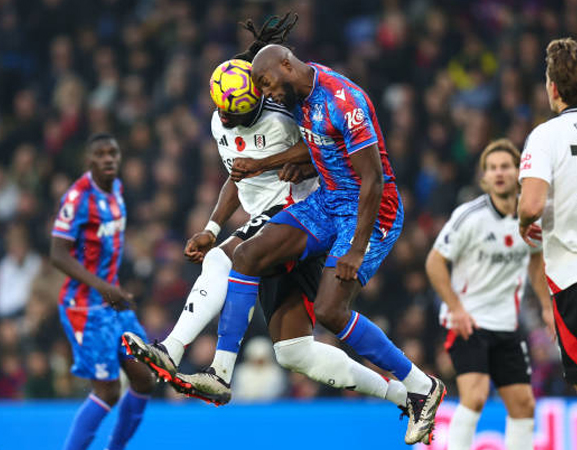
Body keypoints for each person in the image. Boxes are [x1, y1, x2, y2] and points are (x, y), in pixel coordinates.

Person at [124, 15, 411, 417]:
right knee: (295, 354)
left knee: (227, 258)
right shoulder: (222, 119)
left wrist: (293, 165)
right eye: (223, 115)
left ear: (259, 102)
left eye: (238, 117)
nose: (228, 123)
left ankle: (178, 352)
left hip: (300, 214)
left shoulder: (286, 112)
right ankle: (405, 396)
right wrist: (210, 225)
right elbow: (235, 175)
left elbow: (327, 151)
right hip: (271, 222)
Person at [171, 43, 445, 445]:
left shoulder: (343, 100)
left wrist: (355, 249)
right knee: (246, 254)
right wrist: (289, 161)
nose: (265, 93)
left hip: (369, 209)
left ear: (286, 65)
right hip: (327, 200)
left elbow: (374, 180)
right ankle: (220, 374)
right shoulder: (295, 94)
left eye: (265, 83)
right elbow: (315, 143)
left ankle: (423, 386)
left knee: (331, 312)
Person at [425, 138, 555, 450]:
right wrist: (455, 308)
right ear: (484, 177)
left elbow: (536, 259)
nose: (499, 173)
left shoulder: (530, 216)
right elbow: (434, 262)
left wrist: (546, 307)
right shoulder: (469, 217)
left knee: (523, 404)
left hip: (507, 325)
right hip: (469, 321)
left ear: (518, 173)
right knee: (476, 395)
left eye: (505, 167)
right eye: (492, 168)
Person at [50, 133, 155, 450]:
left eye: (113, 152)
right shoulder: (77, 198)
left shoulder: (117, 191)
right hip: (84, 308)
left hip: (113, 304)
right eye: (101, 154)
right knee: (108, 391)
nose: (108, 159)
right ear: (89, 160)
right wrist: (104, 288)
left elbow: (106, 248)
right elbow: (57, 253)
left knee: (144, 379)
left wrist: (113, 288)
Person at [518, 37, 577, 391]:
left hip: (572, 277)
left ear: (553, 88)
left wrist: (525, 224)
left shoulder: (546, 136)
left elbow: (531, 205)